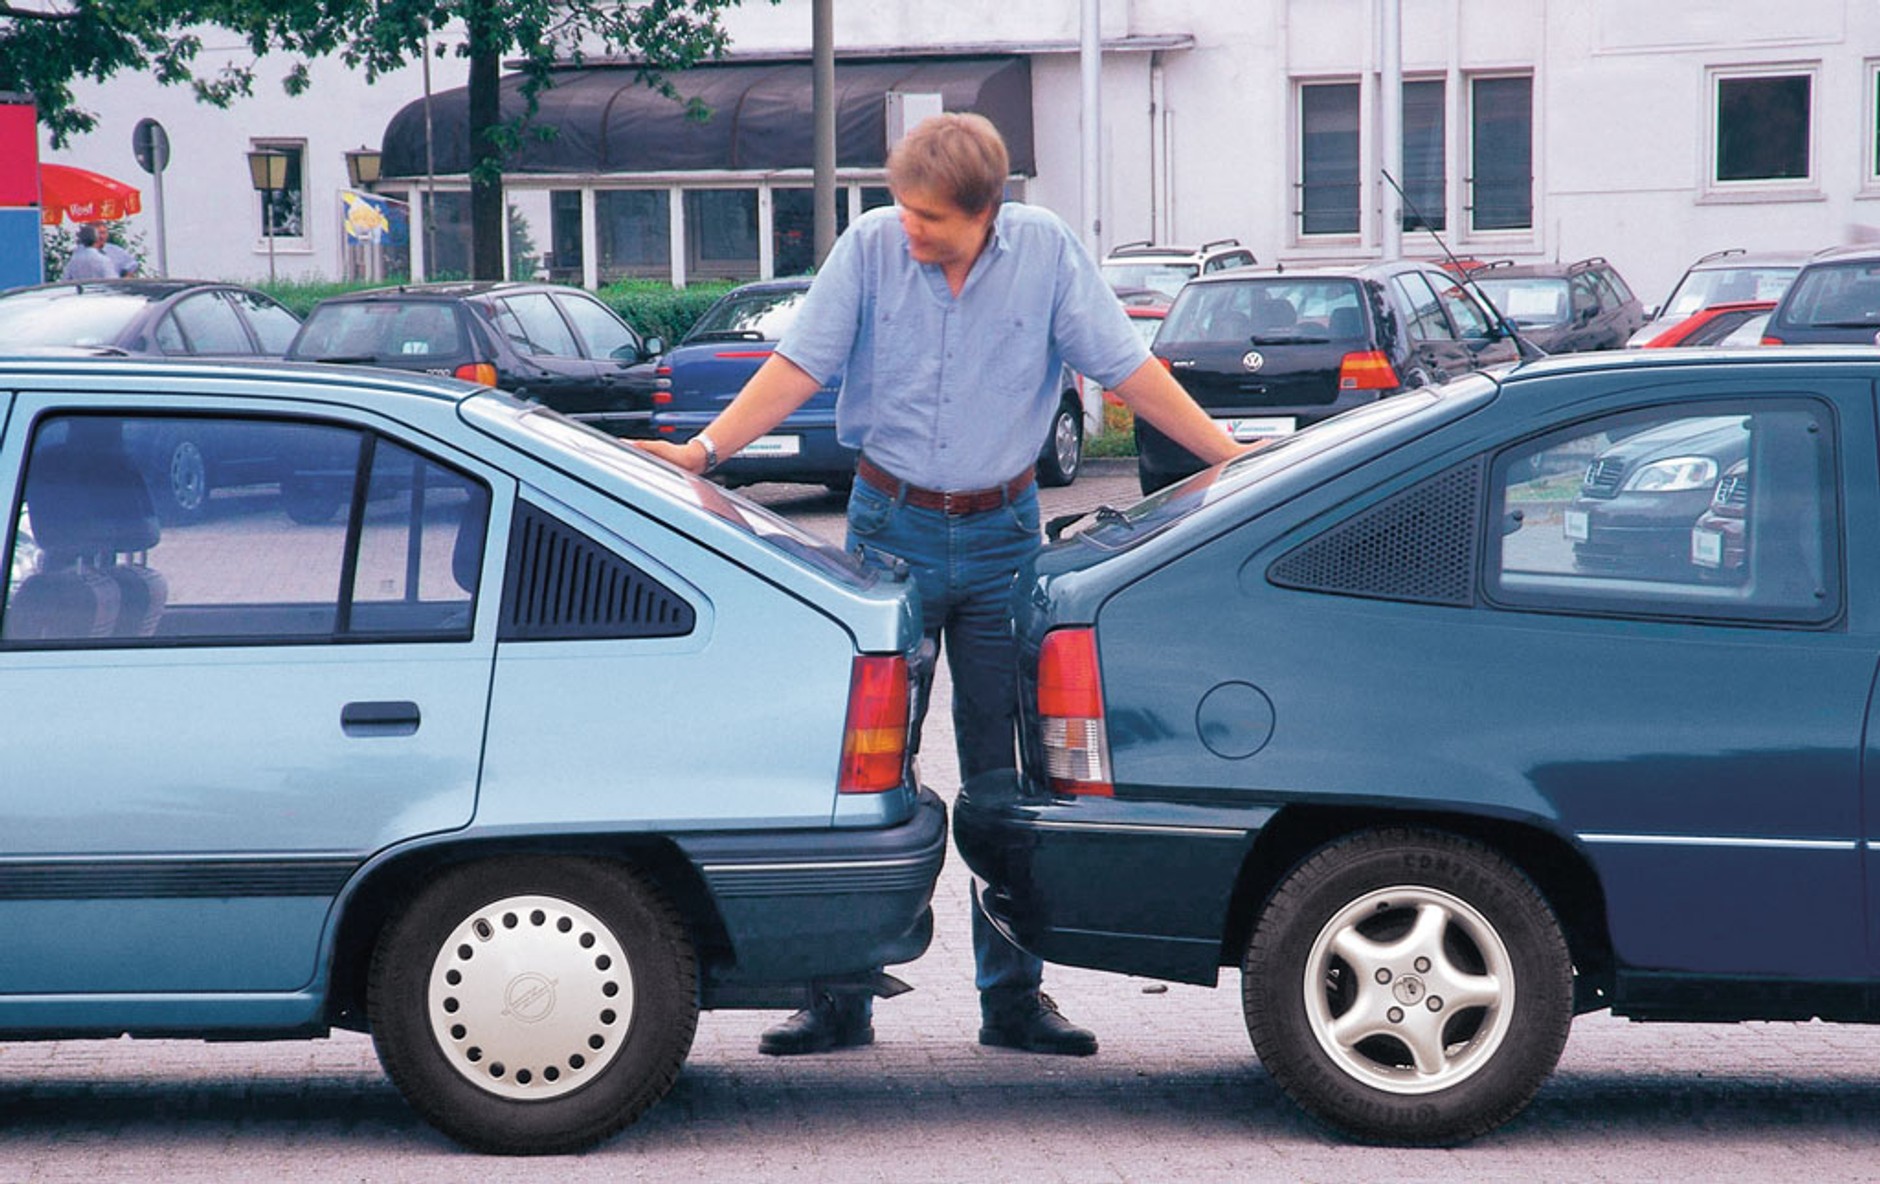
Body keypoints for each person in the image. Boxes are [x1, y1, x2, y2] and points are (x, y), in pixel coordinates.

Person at [637, 112, 1247, 1058]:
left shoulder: (1044, 252)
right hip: (890, 530)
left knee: (1006, 774)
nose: (908, 227)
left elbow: (1127, 369)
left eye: (927, 216)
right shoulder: (872, 247)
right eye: (903, 209)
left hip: (1005, 538)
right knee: (865, 765)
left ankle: (1013, 1000)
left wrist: (1229, 458)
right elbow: (799, 365)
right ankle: (839, 997)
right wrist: (705, 451)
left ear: (984, 210)